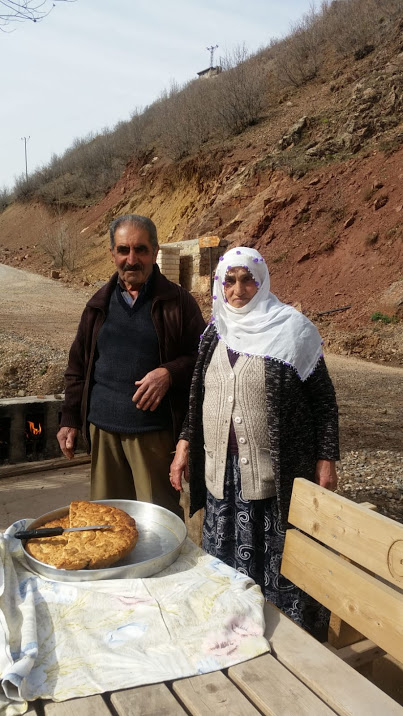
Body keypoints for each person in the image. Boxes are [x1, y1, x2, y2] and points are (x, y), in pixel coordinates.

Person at [170, 246, 339, 637]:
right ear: (220, 285)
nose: (239, 289)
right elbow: (198, 399)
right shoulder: (214, 332)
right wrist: (183, 445)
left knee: (279, 569)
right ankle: (233, 633)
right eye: (229, 280)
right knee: (225, 568)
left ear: (262, 282)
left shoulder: (292, 330)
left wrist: (326, 458)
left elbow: (324, 400)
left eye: (248, 279)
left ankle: (289, 644)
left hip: (273, 481)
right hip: (220, 479)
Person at [57, 214, 205, 517]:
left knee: (158, 523)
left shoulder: (178, 303)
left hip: (154, 435)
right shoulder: (98, 304)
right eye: (123, 250)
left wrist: (169, 372)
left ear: (155, 251)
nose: (132, 259)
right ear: (112, 253)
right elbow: (78, 365)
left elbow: (204, 361)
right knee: (105, 522)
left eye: (140, 249)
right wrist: (69, 417)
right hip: (103, 433)